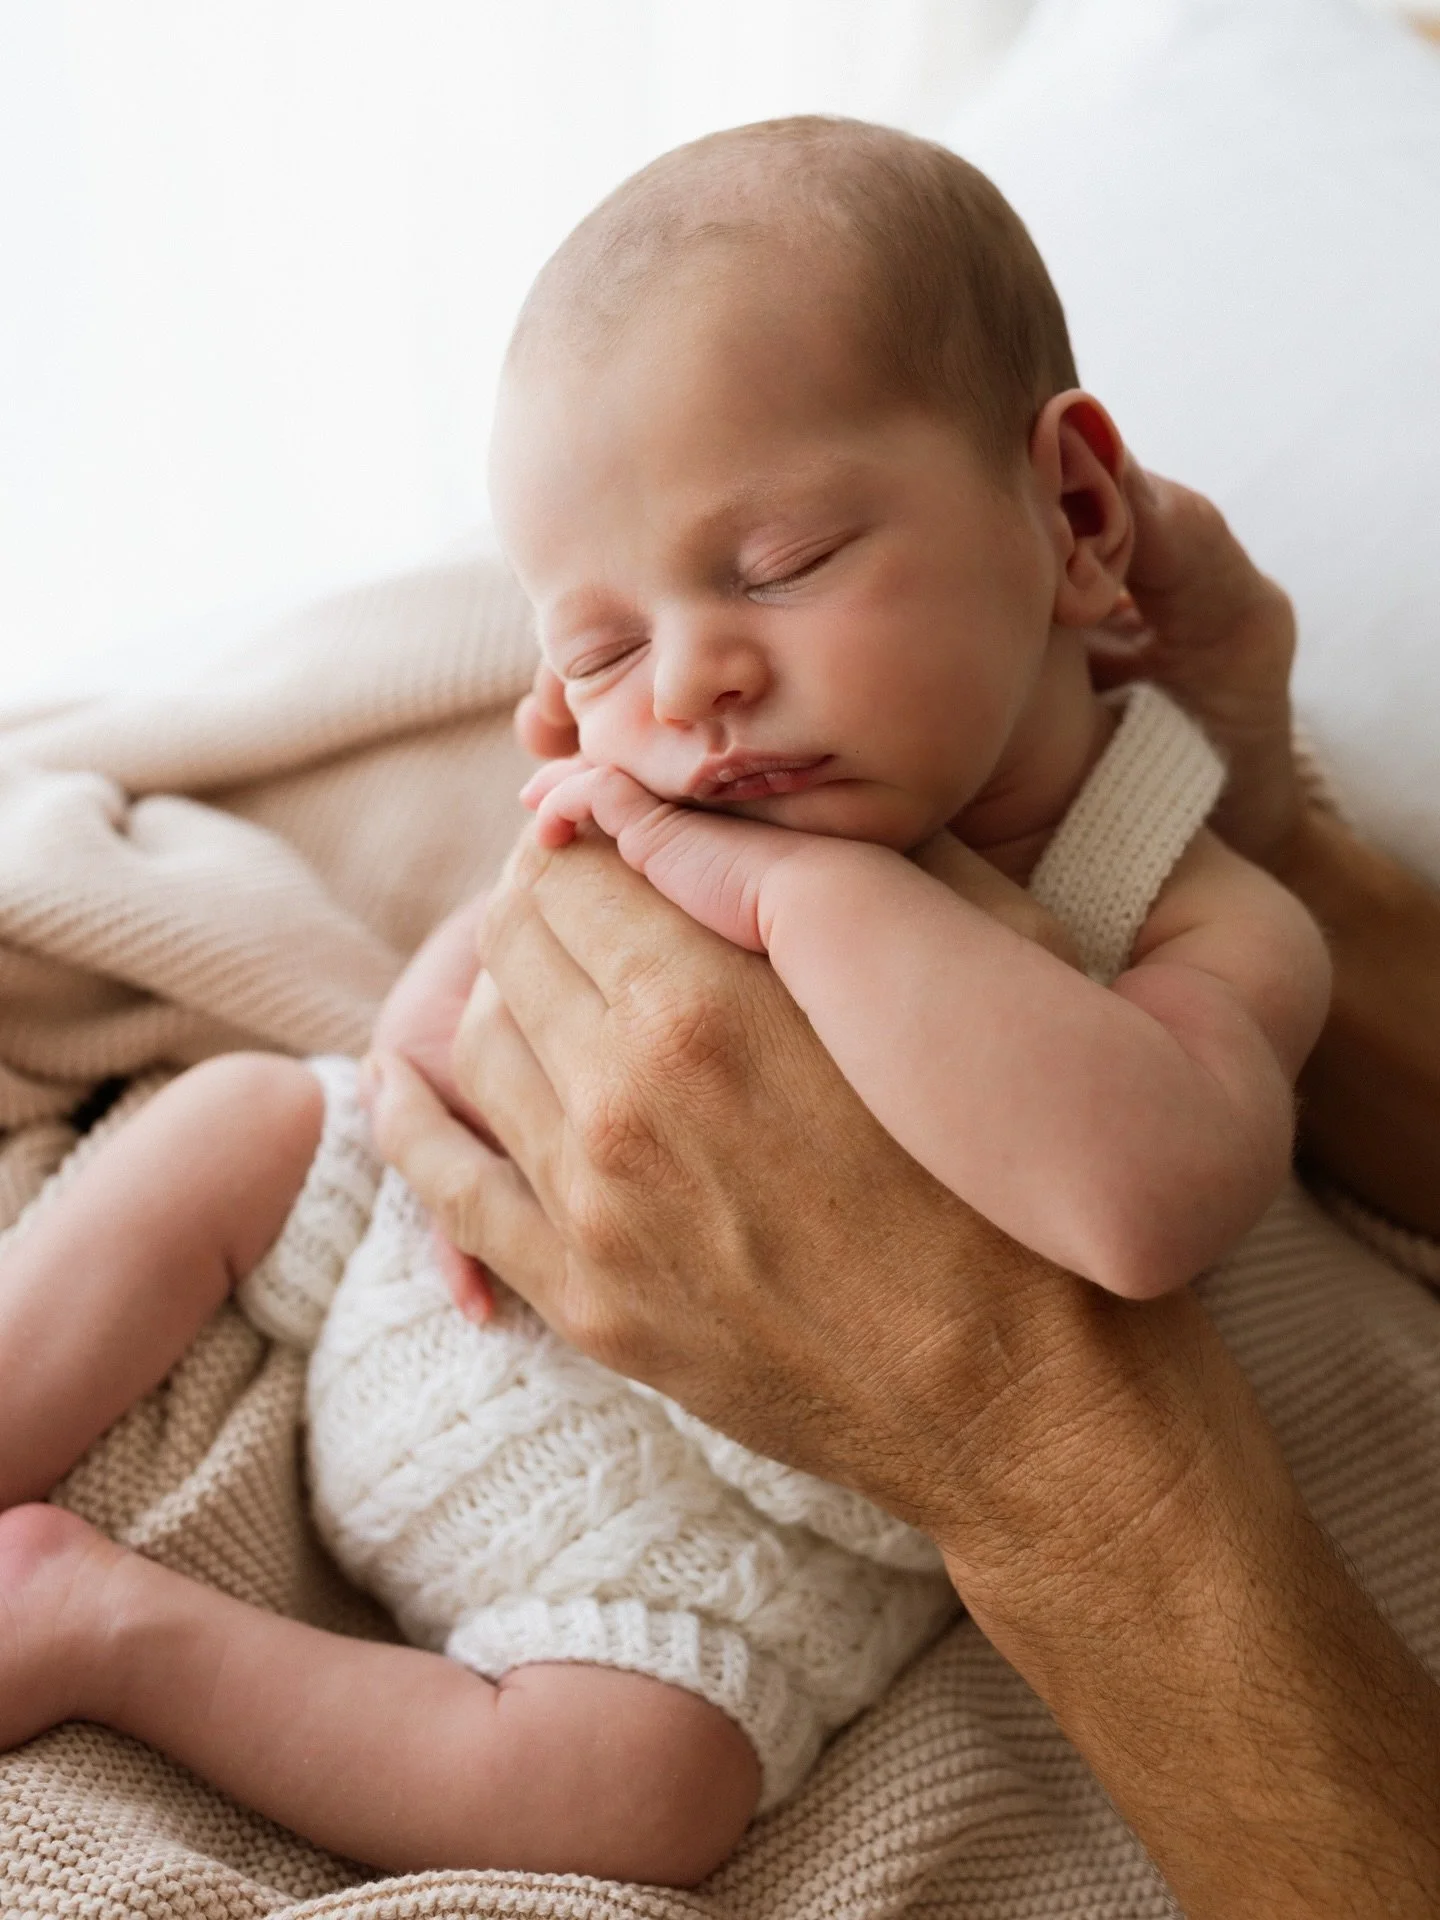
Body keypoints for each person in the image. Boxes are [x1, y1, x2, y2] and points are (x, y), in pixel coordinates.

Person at [0, 116, 1431, 1906]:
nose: (686, 682)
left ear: (1073, 515)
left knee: (642, 1795)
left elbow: (1142, 1206)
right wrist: (428, 1060)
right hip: (427, 1267)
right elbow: (483, 957)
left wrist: (800, 902)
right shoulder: (672, 779)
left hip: (674, 1553)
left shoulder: (1184, 891)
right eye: (597, 650)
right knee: (232, 1122)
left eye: (776, 565)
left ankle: (89, 1625)